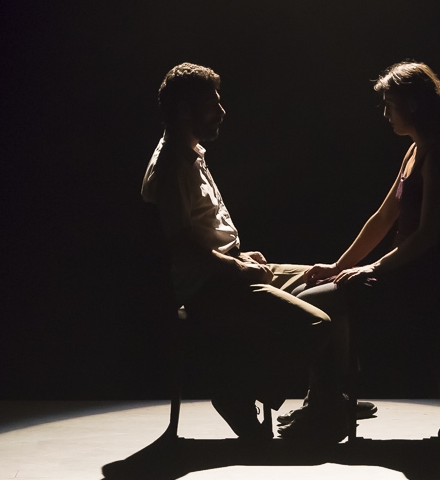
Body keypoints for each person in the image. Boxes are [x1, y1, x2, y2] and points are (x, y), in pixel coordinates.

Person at [141, 62, 352, 442]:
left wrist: (239, 258)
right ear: (185, 110)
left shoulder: (192, 152)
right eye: (211, 105)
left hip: (227, 270)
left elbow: (203, 234)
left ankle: (325, 403)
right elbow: (183, 244)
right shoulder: (172, 164)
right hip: (210, 286)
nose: (222, 112)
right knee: (317, 324)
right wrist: (235, 268)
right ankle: (237, 391)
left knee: (331, 284)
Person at [283, 61, 440, 425]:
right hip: (399, 271)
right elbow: (382, 219)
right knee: (312, 289)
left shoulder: (438, 157)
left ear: (412, 105)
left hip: (419, 280)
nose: (385, 114)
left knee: (310, 303)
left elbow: (427, 236)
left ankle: (325, 404)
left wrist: (372, 267)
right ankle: (331, 399)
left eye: (389, 104)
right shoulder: (414, 151)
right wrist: (339, 266)